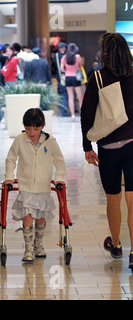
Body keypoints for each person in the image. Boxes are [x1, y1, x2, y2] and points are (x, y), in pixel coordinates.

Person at [81, 32, 133, 270]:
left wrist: (87, 146)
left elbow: (87, 114)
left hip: (109, 148)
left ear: (105, 53)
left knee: (113, 198)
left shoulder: (97, 78)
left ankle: (116, 244)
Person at [5, 108, 66, 263]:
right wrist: (9, 178)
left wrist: (59, 178)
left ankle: (38, 244)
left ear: (43, 126)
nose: (32, 132)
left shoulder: (50, 142)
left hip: (43, 186)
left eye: (36, 129)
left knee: (40, 217)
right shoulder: (20, 140)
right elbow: (11, 158)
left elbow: (59, 161)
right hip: (25, 186)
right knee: (27, 215)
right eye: (28, 128)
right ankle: (28, 248)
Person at [61, 43, 84, 121]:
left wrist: (67, 71)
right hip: (76, 77)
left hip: (68, 77)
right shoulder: (77, 57)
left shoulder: (64, 57)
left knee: (70, 97)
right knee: (80, 97)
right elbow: (80, 65)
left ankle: (73, 115)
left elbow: (62, 69)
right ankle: (82, 115)